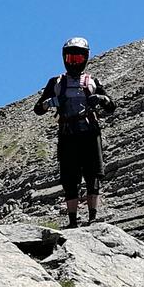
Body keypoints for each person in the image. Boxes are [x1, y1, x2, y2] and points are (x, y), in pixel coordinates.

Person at [33, 36, 115, 228]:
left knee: (93, 174)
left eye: (77, 59)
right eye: (71, 59)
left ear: (85, 59)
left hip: (89, 132)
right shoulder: (55, 82)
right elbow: (38, 109)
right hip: (67, 133)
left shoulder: (92, 81)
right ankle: (72, 221)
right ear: (64, 58)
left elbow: (112, 106)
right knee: (70, 176)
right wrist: (48, 103)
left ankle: (92, 217)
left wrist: (102, 99)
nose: (74, 62)